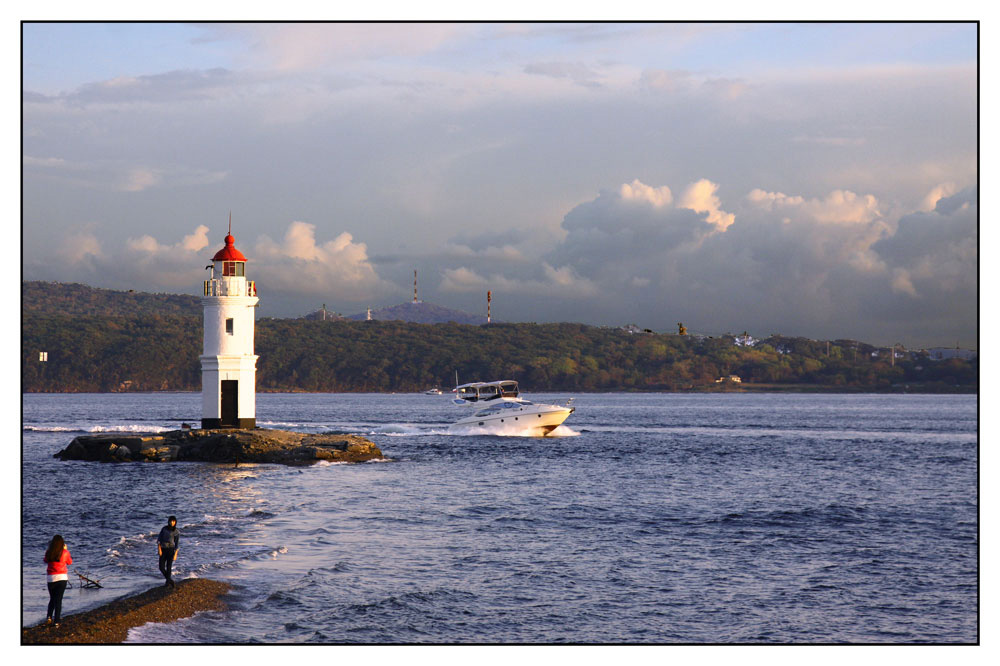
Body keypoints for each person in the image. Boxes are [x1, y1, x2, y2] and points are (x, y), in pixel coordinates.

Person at [44, 535, 72, 627]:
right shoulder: (65, 552)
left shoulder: (49, 552)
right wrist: (66, 549)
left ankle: (49, 617)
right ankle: (56, 621)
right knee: (58, 600)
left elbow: (45, 560)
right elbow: (69, 562)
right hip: (61, 578)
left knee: (52, 598)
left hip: (51, 578)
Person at [157, 516, 180, 588]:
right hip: (163, 549)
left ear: (175, 522)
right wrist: (159, 549)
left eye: (173, 521)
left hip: (171, 549)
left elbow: (177, 544)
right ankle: (170, 580)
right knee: (161, 567)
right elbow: (159, 540)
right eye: (171, 521)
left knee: (169, 567)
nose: (172, 523)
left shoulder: (176, 531)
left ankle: (167, 583)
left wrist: (175, 554)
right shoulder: (164, 529)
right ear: (169, 521)